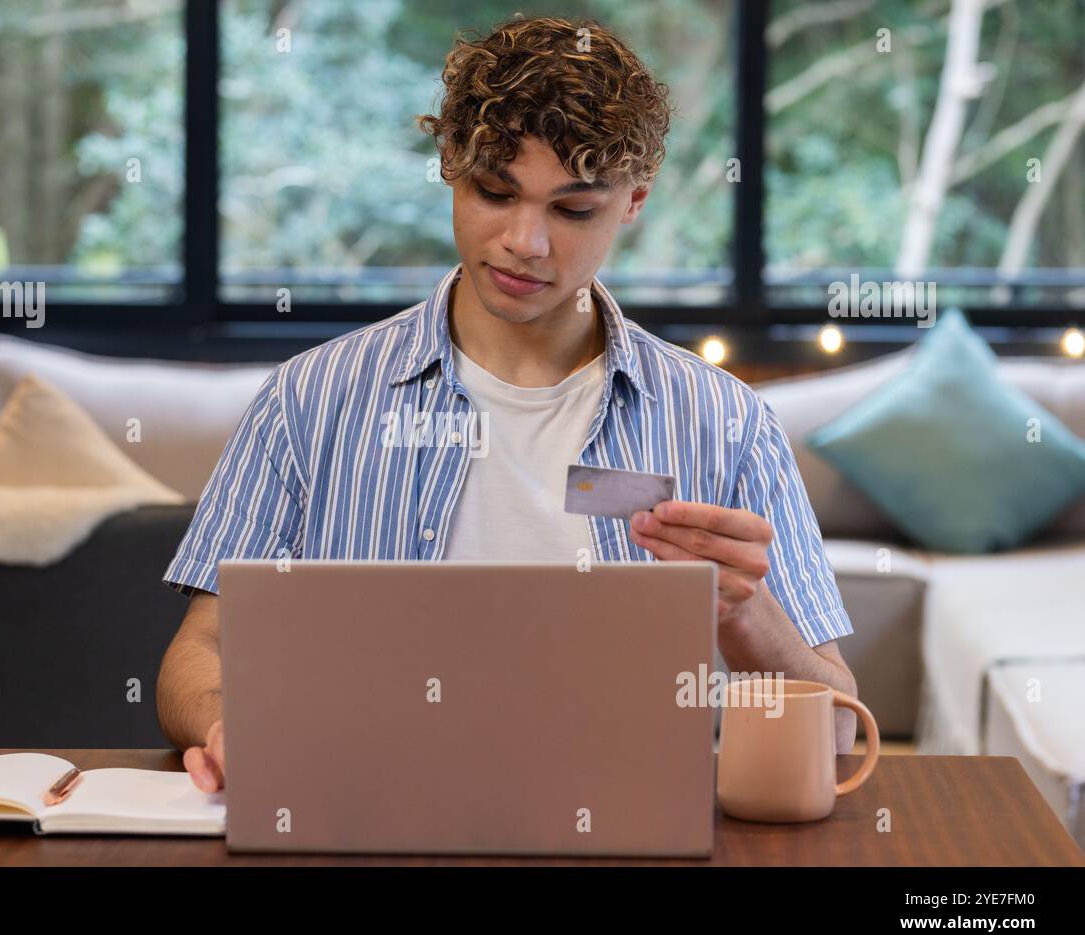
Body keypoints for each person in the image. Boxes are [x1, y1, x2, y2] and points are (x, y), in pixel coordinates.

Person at [157, 15, 857, 793]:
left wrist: (741, 612)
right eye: (497, 191)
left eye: (573, 210)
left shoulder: (724, 423)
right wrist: (228, 724)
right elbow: (198, 652)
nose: (526, 241)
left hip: (624, 815)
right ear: (451, 165)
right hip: (364, 808)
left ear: (633, 203)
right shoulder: (308, 399)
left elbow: (836, 730)